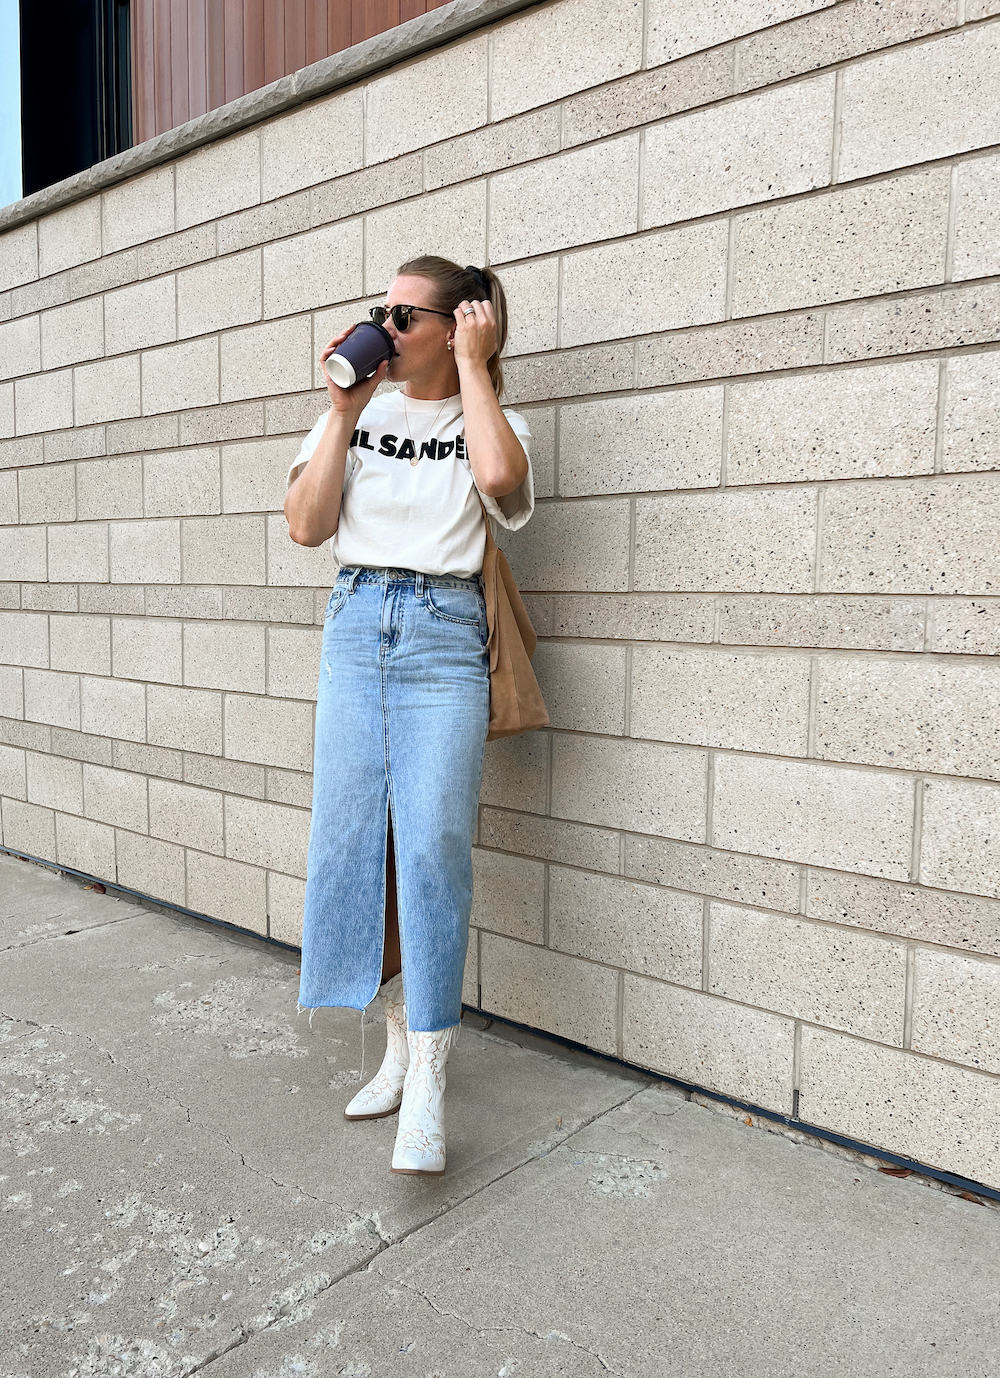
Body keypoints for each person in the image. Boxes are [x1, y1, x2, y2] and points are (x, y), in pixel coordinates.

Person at [283, 256, 535, 1175]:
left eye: (402, 315)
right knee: (360, 844)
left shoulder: (488, 417)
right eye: (377, 310)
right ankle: (396, 1047)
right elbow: (308, 529)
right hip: (356, 627)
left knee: (432, 846)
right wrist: (344, 411)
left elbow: (502, 484)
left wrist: (478, 368)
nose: (382, 328)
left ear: (456, 325)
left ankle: (430, 1074)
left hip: (442, 632)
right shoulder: (353, 416)